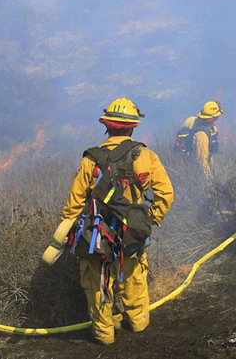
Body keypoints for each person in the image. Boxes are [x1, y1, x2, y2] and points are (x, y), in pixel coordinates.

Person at [59, 97, 174, 345]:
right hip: (131, 234)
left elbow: (73, 205)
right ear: (132, 128)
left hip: (96, 237)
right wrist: (148, 219)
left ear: (107, 127)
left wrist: (68, 232)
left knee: (97, 286)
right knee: (134, 280)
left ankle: (104, 335)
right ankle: (139, 323)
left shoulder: (90, 160)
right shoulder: (145, 156)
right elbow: (166, 193)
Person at [174, 101, 223, 178]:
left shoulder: (207, 128)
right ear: (212, 118)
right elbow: (202, 161)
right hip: (196, 174)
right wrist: (210, 179)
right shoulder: (201, 135)